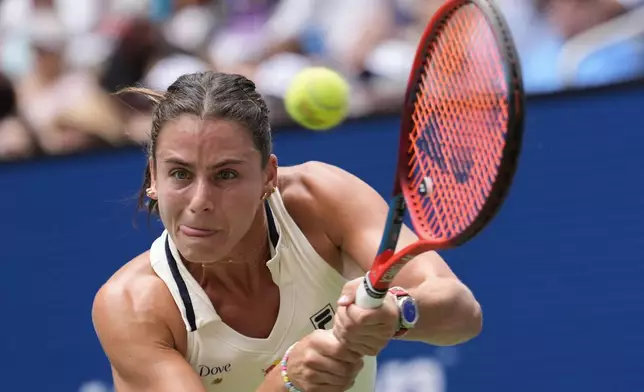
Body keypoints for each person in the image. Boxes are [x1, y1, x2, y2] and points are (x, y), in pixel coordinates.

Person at [91, 71, 483, 392]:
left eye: (226, 174)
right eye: (179, 173)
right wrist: (288, 379)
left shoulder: (321, 200)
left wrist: (399, 313)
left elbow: (463, 314)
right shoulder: (131, 305)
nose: (200, 201)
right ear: (153, 179)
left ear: (268, 177)